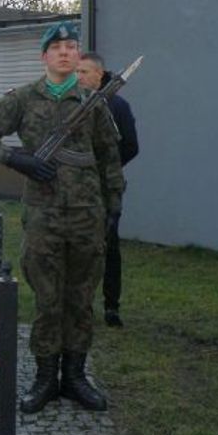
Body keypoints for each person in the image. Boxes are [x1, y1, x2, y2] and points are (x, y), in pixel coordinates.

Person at [0, 21, 124, 414]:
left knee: (80, 299)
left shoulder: (93, 103)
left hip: (87, 215)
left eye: (72, 46)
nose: (65, 52)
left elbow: (110, 158)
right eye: (56, 47)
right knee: (47, 300)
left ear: (78, 57)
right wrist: (16, 159)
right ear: (44, 56)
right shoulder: (23, 99)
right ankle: (44, 378)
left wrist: (114, 206)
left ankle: (74, 377)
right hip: (43, 215)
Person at [76, 51, 139, 327]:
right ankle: (79, 304)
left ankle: (111, 306)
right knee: (78, 247)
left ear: (99, 74)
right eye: (76, 72)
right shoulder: (72, 104)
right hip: (77, 188)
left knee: (108, 247)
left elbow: (131, 146)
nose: (78, 77)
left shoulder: (117, 105)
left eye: (84, 72)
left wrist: (109, 168)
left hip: (106, 189)